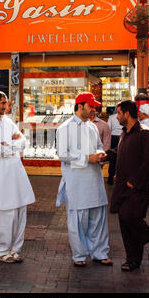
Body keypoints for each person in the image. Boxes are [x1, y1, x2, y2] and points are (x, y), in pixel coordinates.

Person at [56, 92, 112, 267]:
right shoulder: (64, 127)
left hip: (94, 179)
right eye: (91, 106)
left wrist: (100, 155)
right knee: (78, 220)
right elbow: (62, 155)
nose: (93, 109)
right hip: (77, 182)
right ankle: (79, 255)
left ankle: (100, 252)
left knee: (98, 218)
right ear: (80, 106)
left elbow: (99, 146)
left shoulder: (92, 127)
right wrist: (87, 158)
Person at [106, 100, 149, 272]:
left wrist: (134, 181)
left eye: (119, 113)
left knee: (130, 217)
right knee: (124, 221)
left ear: (127, 114)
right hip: (122, 186)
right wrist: (105, 155)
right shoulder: (124, 133)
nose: (117, 116)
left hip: (137, 187)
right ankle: (133, 259)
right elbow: (119, 152)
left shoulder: (145, 134)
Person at [0, 91, 35, 263]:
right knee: (4, 212)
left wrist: (9, 145)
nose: (6, 106)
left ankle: (15, 249)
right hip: (0, 175)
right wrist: (10, 146)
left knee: (20, 211)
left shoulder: (8, 122)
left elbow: (23, 142)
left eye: (6, 103)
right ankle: (1, 250)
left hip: (17, 174)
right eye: (2, 103)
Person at [106, 108, 123, 185]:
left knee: (113, 158)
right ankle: (120, 179)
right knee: (122, 158)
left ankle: (110, 178)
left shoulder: (111, 117)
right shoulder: (124, 116)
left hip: (114, 138)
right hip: (123, 137)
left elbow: (108, 128)